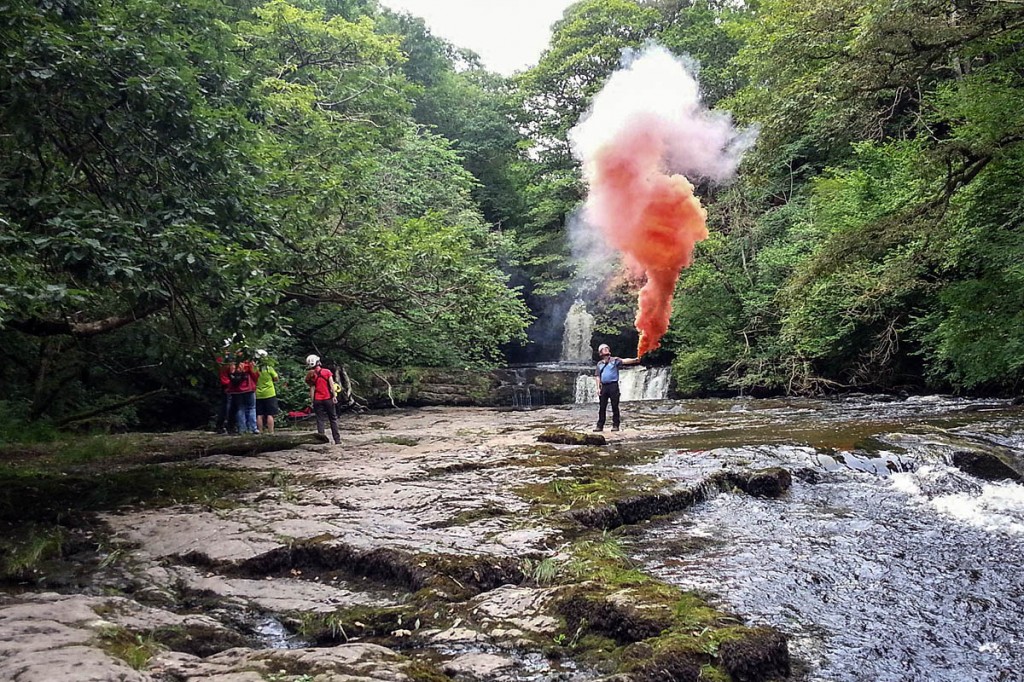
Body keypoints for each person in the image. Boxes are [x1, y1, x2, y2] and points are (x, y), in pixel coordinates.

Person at [594, 343, 641, 432]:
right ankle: (600, 426)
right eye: (604, 349)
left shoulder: (615, 360)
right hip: (604, 386)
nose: (606, 349)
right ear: (600, 353)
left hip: (613, 386)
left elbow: (624, 361)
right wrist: (598, 388)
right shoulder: (599, 364)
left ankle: (616, 425)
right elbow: (597, 376)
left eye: (607, 348)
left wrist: (635, 360)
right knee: (602, 407)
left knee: (614, 406)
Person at [305, 354, 341, 444]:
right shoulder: (327, 372)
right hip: (328, 398)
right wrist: (334, 396)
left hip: (317, 399)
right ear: (318, 362)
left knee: (320, 419)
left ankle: (321, 440)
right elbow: (332, 385)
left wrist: (312, 401)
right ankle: (337, 440)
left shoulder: (311, 375)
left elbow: (312, 388)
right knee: (333, 419)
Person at [228, 357, 260, 434]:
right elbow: (255, 375)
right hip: (248, 389)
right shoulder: (249, 363)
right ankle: (253, 428)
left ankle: (242, 429)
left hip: (237, 390)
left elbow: (229, 375)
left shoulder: (232, 363)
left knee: (240, 408)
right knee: (251, 408)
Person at [254, 350, 279, 434]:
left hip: (258, 394)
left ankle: (260, 431)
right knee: (270, 414)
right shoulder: (268, 368)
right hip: (269, 393)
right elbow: (276, 378)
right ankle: (271, 432)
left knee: (259, 414)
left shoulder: (254, 369)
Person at [215, 356, 237, 434]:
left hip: (225, 384)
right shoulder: (227, 360)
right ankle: (229, 426)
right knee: (229, 406)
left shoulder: (220, 359)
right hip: (229, 385)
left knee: (224, 406)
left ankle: (220, 426)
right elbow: (232, 371)